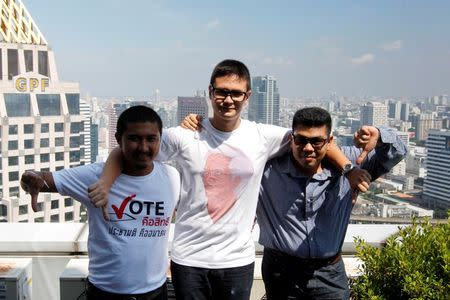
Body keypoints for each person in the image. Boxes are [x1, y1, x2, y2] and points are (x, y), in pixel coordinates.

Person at [89, 60, 368, 300]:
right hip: (189, 258)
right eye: (222, 92)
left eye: (236, 93)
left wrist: (347, 169)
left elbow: (314, 140)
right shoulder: (185, 135)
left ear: (247, 96)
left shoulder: (262, 136)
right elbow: (129, 150)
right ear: (210, 93)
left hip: (237, 260)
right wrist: (104, 182)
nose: (228, 99)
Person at [20, 106, 180, 300]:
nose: (143, 147)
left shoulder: (172, 178)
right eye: (134, 138)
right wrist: (30, 180)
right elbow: (40, 178)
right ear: (118, 138)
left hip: (155, 292)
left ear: (159, 139)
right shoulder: (93, 176)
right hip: (105, 293)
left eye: (151, 139)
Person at [256, 107, 407, 299]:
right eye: (301, 140)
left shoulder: (353, 162)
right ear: (291, 139)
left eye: (317, 141)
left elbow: (399, 151)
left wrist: (379, 134)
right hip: (281, 272)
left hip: (330, 274)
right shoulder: (269, 168)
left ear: (330, 142)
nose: (308, 148)